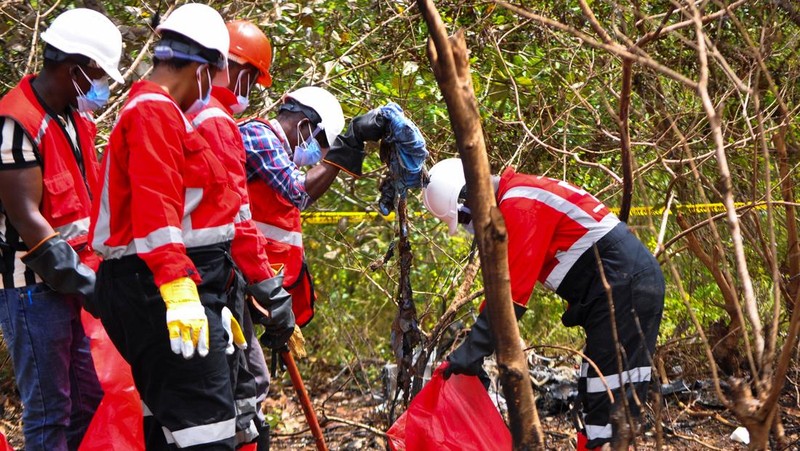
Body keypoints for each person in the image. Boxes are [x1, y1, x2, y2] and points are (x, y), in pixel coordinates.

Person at [87, 4, 282, 449]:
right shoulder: (153, 112)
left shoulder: (164, 112)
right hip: (154, 286)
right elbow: (156, 210)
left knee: (179, 430)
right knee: (208, 433)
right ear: (201, 68)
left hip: (158, 283)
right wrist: (179, 291)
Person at [422, 158, 665, 451]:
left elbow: (510, 295)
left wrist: (473, 351)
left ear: (469, 196)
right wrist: (474, 350)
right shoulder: (520, 194)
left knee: (610, 405)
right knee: (595, 395)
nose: (467, 227)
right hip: (616, 290)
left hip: (626, 289)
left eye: (462, 218)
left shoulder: (521, 205)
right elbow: (505, 288)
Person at [0, 8, 123, 450]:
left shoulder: (75, 119)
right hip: (33, 291)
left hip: (74, 280)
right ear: (75, 70)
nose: (101, 87)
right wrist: (93, 287)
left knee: (88, 401)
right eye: (99, 76)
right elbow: (28, 221)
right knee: (50, 413)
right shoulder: (15, 124)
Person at [186, 19, 290, 450]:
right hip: (208, 280)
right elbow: (238, 215)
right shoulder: (214, 119)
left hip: (196, 279)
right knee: (238, 393)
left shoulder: (182, 110)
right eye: (251, 78)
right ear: (237, 70)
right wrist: (268, 286)